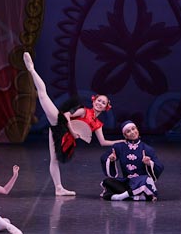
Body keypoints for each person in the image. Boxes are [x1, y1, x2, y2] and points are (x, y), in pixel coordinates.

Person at [23, 52, 122, 196]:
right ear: (94, 101)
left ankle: (58, 188)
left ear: (106, 107)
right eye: (99, 101)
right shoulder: (84, 111)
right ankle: (32, 69)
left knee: (54, 160)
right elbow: (66, 115)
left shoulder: (98, 124)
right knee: (43, 95)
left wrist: (121, 141)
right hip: (60, 123)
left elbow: (103, 142)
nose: (100, 103)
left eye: (103, 103)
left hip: (61, 134)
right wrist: (72, 130)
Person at [100, 120, 164, 201]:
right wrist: (111, 159)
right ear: (125, 135)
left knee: (146, 180)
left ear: (137, 130)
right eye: (128, 131)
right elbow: (104, 158)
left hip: (141, 181)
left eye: (133, 129)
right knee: (108, 181)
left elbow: (160, 166)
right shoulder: (119, 147)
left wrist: (149, 163)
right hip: (127, 182)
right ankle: (134, 196)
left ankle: (120, 197)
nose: (132, 132)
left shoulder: (147, 149)